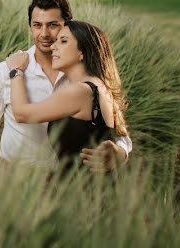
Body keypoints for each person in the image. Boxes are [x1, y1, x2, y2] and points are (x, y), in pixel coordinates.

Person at [0, 0, 131, 172]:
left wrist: (121, 152)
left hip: (69, 185)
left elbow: (117, 132)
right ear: (30, 26)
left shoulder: (82, 76)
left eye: (53, 25)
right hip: (19, 182)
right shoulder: (6, 71)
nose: (44, 34)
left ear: (67, 25)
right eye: (37, 25)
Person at [7, 19, 128, 171]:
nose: (53, 47)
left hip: (81, 189)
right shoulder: (97, 85)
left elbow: (21, 114)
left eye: (63, 41)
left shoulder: (81, 91)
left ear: (83, 52)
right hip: (92, 187)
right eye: (56, 41)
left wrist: (16, 70)